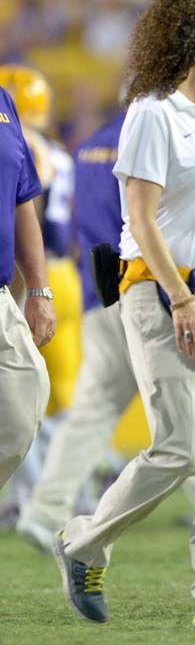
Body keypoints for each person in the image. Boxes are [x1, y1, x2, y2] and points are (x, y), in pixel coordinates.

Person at [52, 0, 195, 630]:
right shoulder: (151, 112)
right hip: (159, 290)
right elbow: (140, 219)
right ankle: (84, 543)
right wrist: (179, 298)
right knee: (179, 448)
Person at [17, 109, 137, 550]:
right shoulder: (157, 130)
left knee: (84, 410)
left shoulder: (90, 143)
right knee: (187, 423)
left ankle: (45, 507)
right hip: (128, 287)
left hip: (87, 286)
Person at [0, 84, 53, 492]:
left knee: (25, 402)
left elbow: (23, 198)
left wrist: (38, 289)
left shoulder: (3, 100)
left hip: (2, 296)